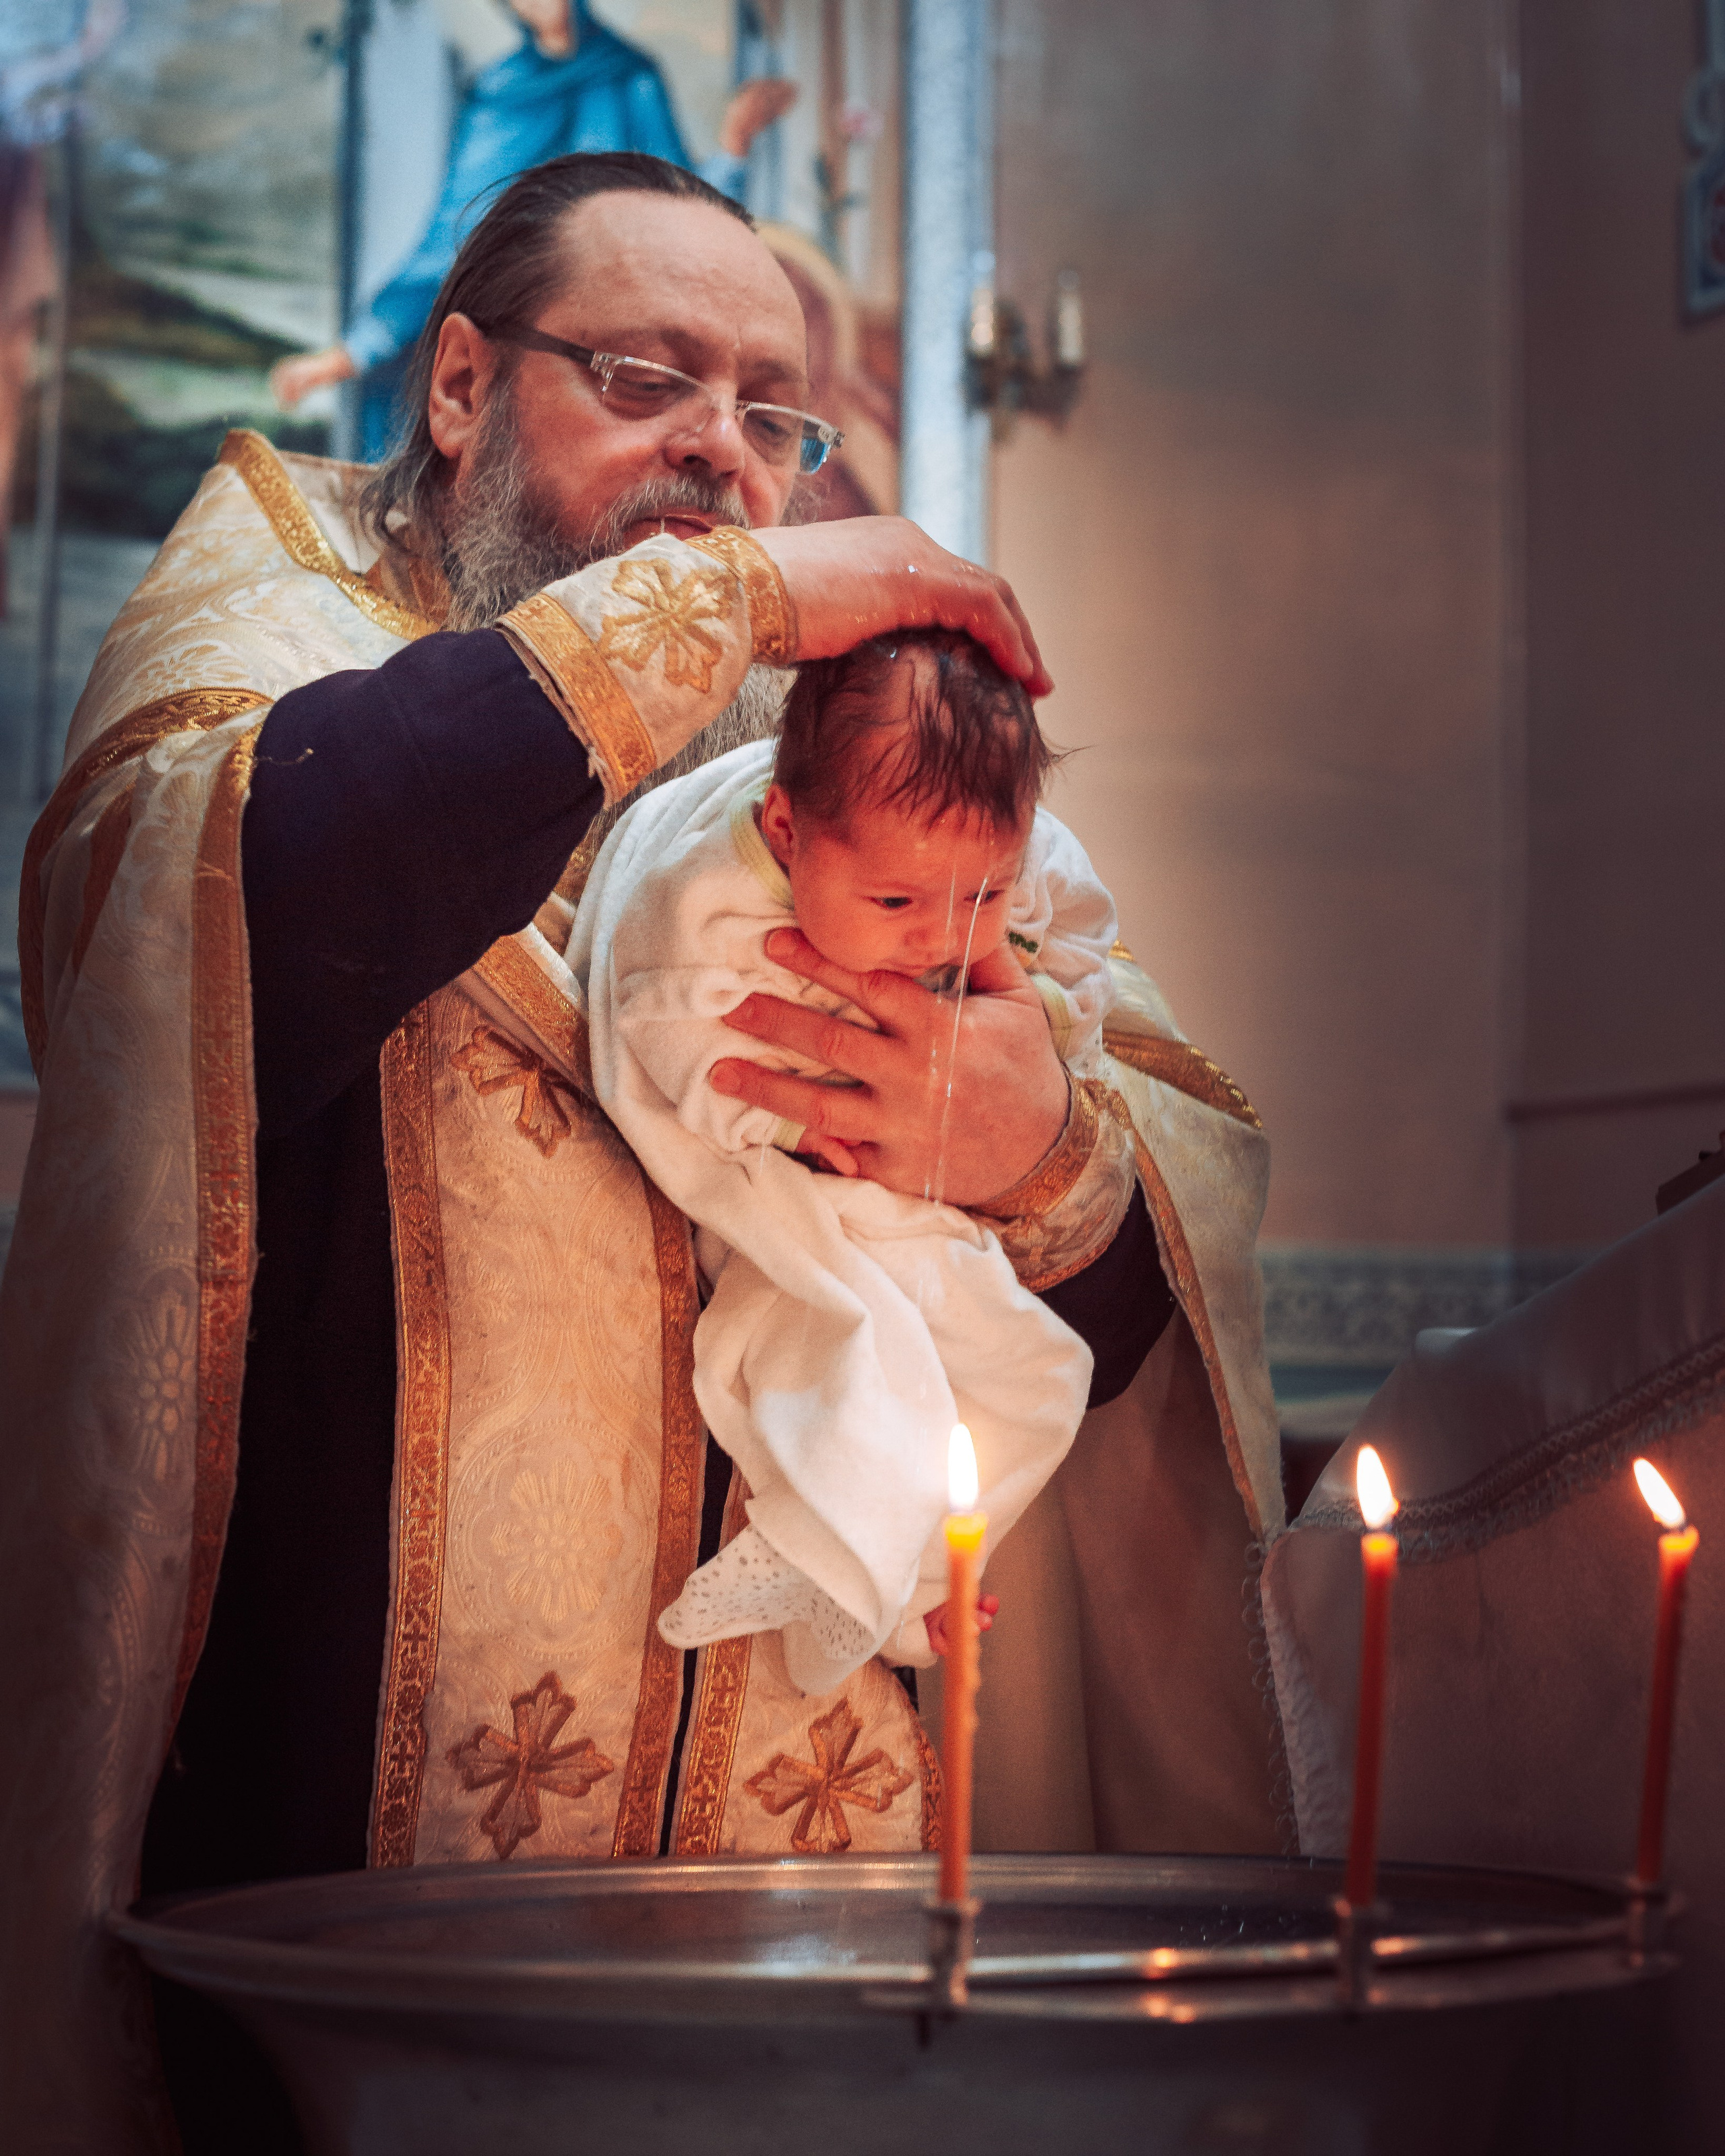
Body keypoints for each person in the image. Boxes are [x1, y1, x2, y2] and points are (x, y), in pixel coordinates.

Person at [1, 151, 1284, 2152]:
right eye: (641, 376)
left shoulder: (829, 764)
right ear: (454, 388)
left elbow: (1151, 1258)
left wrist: (1040, 1150)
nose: (722, 456)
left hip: (823, 1935)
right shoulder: (265, 639)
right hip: (351, 1948)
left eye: (772, 417)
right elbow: (226, 913)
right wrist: (730, 599)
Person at [573, 630, 1120, 1694]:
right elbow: (659, 1028)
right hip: (789, 1185)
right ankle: (868, 1571)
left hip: (912, 1185)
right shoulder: (707, 910)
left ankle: (907, 1582)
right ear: (787, 829)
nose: (945, 943)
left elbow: (1082, 937)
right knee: (870, 1352)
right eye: (897, 906)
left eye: (986, 899)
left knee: (1034, 1375)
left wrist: (1044, 1021)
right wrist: (793, 1128)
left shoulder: (976, 851)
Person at [271, 0, 796, 457]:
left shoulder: (630, 77)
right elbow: (452, 238)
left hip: (621, 343)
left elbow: (682, 209)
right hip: (518, 333)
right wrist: (354, 351)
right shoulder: (498, 93)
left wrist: (733, 145)